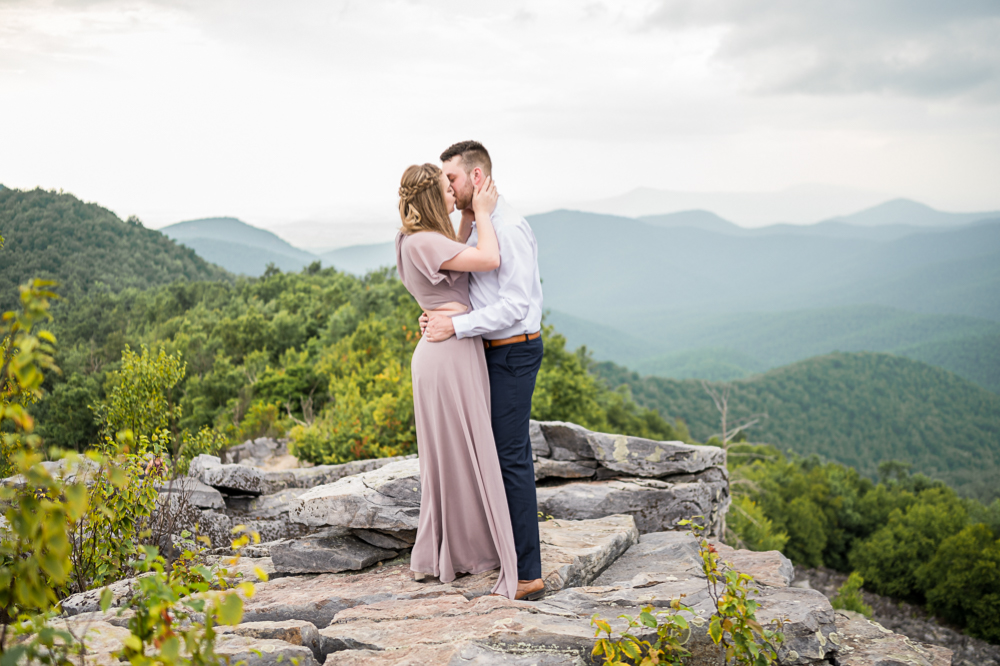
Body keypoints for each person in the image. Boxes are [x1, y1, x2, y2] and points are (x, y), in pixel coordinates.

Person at [422, 141, 546, 602]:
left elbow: (514, 306)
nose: (447, 190)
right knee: (490, 453)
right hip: (490, 351)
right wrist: (442, 315)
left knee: (510, 455)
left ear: (476, 178)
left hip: (513, 352)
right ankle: (502, 551)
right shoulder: (481, 226)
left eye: (451, 179)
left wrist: (455, 325)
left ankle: (528, 572)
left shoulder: (508, 229)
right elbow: (473, 285)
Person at [394, 162, 520, 600]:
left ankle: (466, 544)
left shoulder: (422, 239)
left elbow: (456, 253)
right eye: (447, 189)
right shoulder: (425, 241)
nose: (454, 194)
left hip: (448, 346)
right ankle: (464, 549)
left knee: (458, 452)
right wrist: (483, 211)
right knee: (459, 450)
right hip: (447, 353)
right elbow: (489, 258)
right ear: (433, 199)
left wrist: (468, 214)